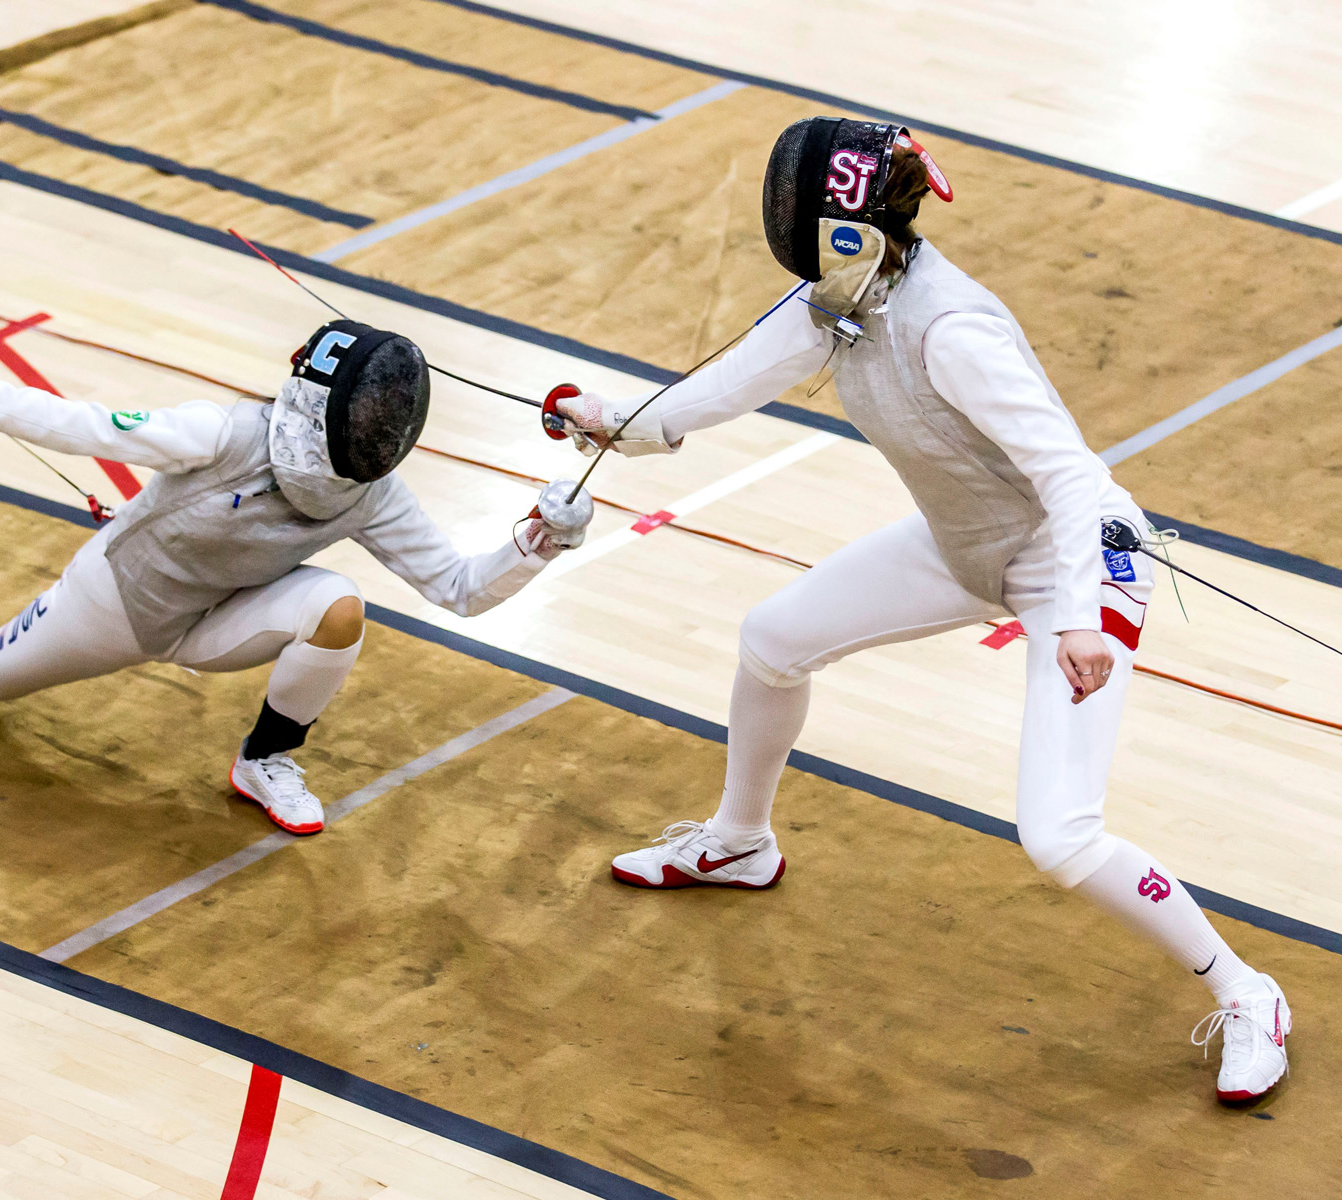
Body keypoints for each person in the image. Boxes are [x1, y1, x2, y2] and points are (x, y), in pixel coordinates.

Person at [551, 118, 1288, 1104]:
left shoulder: (954, 329)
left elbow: (1069, 479)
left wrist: (1076, 614)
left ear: (845, 228)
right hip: (965, 544)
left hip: (1078, 560)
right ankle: (740, 841)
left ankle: (1249, 995)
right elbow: (727, 385)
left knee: (1060, 837)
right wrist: (616, 425)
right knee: (773, 642)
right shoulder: (840, 297)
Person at [0, 320, 592, 834]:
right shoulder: (225, 433)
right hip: (114, 600)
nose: (376, 434)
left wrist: (540, 540)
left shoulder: (372, 495)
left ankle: (263, 761)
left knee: (339, 608)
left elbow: (459, 587)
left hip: (215, 621)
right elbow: (78, 423)